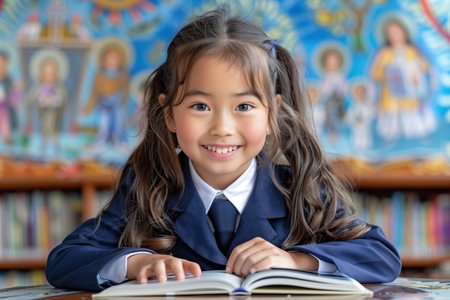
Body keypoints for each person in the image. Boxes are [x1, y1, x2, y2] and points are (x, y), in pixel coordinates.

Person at [46, 9, 401, 292]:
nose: (222, 127)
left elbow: (381, 257)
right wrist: (136, 262)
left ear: (272, 113)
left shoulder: (300, 186)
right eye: (200, 106)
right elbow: (64, 260)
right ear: (169, 114)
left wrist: (295, 261)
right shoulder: (146, 185)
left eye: (244, 107)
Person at [371, 17, 436, 141]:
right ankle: (390, 134)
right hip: (391, 92)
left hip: (410, 90)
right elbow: (375, 72)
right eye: (391, 33)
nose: (395, 36)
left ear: (404, 32)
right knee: (392, 114)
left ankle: (417, 133)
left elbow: (425, 66)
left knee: (411, 112)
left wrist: (420, 67)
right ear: (387, 37)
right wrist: (385, 74)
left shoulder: (412, 50)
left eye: (397, 32)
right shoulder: (384, 53)